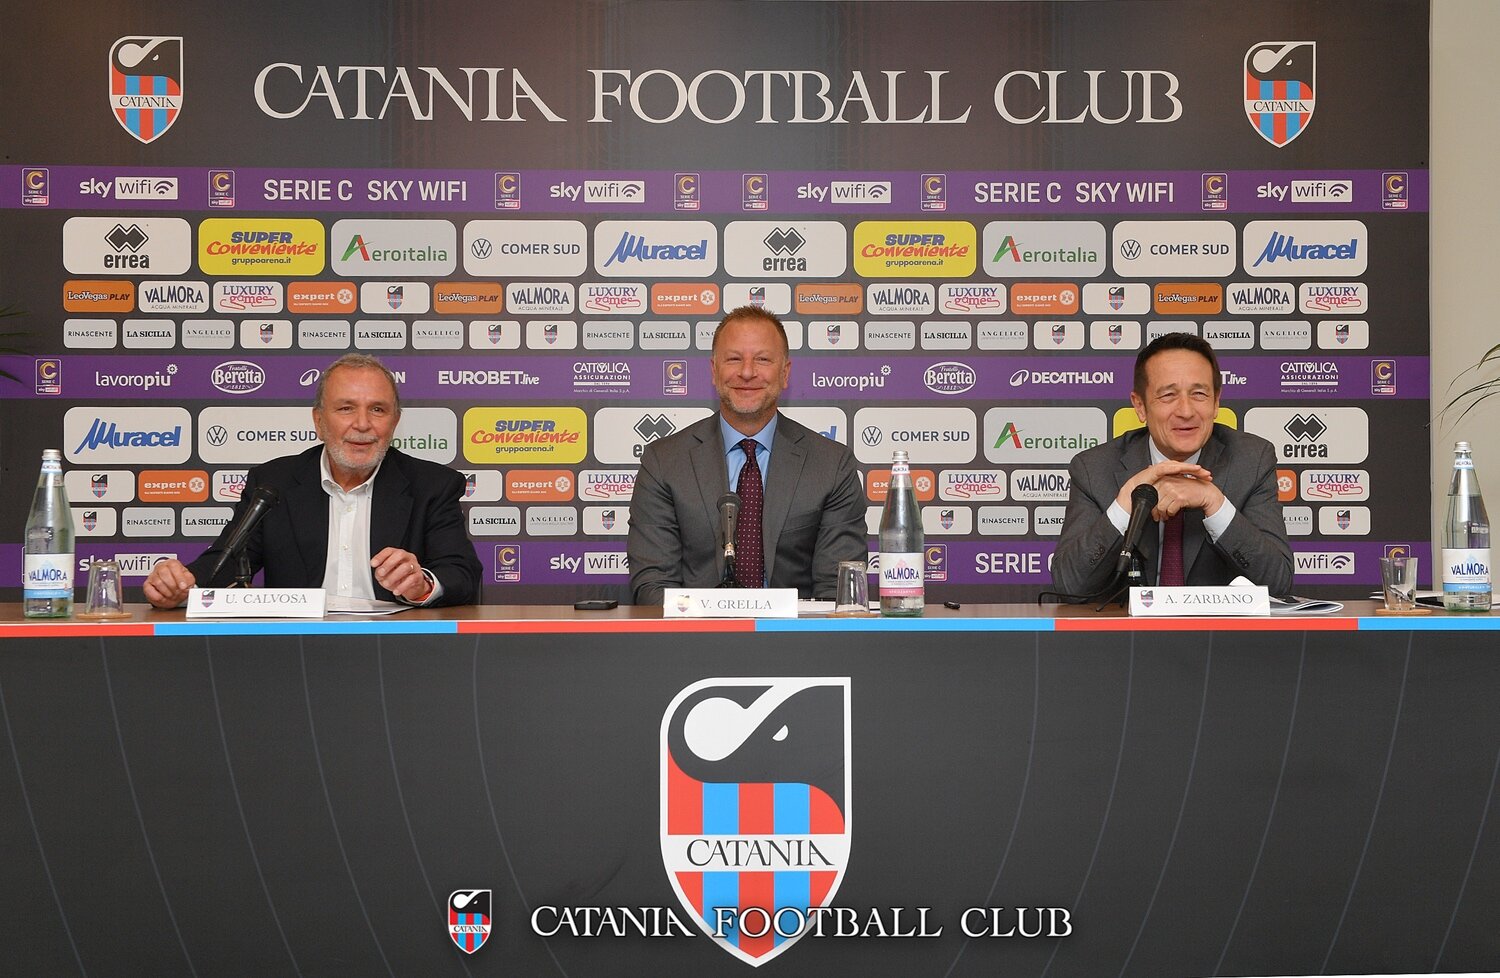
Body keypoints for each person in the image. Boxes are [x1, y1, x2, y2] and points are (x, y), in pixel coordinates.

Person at [144, 353, 482, 608]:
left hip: (397, 649)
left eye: (378, 409)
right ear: (319, 422)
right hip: (296, 650)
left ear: (394, 422)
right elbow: (226, 562)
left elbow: (462, 574)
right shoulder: (274, 483)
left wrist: (422, 585)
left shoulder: (432, 485)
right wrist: (180, 587)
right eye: (346, 408)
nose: (362, 424)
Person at [627, 306, 867, 604]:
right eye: (734, 359)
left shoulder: (831, 465)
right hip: (695, 632)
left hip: (794, 633)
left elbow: (838, 591)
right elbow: (653, 585)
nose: (747, 372)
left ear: (785, 373)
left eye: (762, 359)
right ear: (714, 371)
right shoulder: (664, 462)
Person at [1051, 332, 1293, 598]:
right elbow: (1069, 586)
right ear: (1140, 406)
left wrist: (1215, 504)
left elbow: (1277, 583)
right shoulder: (1094, 468)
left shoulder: (1251, 461)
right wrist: (1125, 505)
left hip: (1216, 626)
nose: (1186, 411)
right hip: (1128, 626)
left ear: (1216, 402)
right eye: (1168, 396)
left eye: (1199, 394)